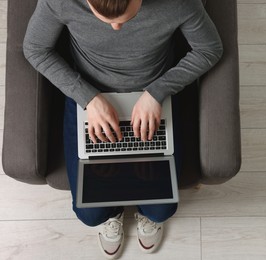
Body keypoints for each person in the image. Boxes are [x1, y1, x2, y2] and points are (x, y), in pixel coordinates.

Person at [23, 0, 223, 258]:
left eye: (125, 17)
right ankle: (113, 212)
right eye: (104, 19)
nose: (116, 27)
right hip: (90, 99)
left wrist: (157, 92)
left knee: (160, 210)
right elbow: (35, 48)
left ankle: (143, 212)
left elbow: (210, 49)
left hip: (153, 98)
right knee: (90, 214)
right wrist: (88, 98)